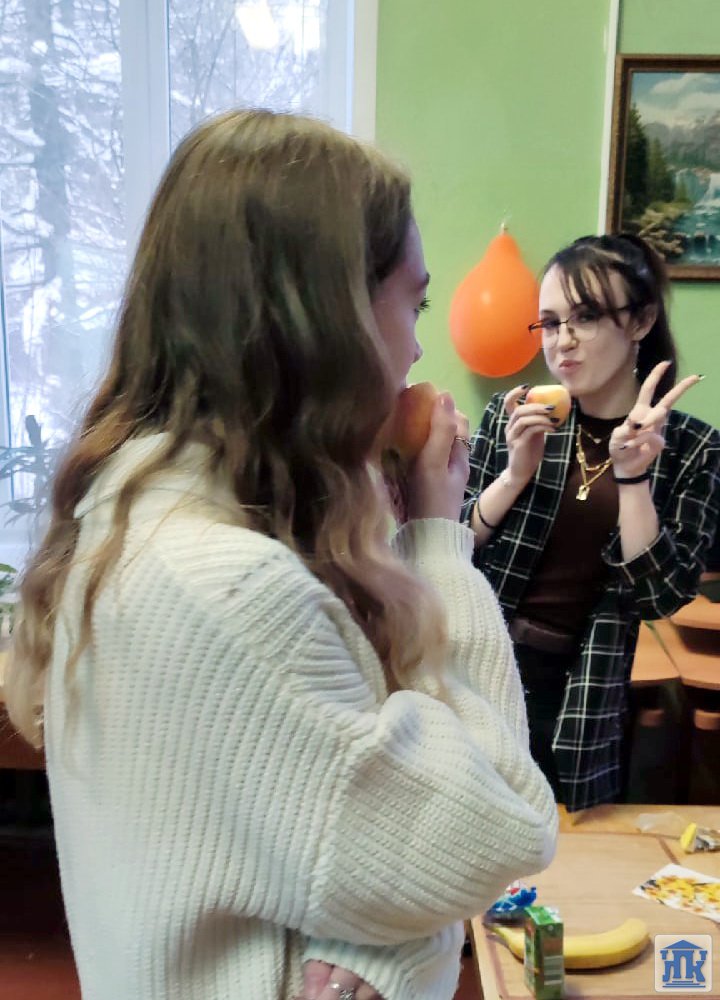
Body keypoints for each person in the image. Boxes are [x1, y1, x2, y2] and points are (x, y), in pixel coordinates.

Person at [5, 109, 557, 1000]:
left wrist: (386, 939)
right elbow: (504, 826)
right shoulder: (224, 588)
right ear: (326, 324)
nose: (419, 346)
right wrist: (438, 538)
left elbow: (311, 841)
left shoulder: (155, 511)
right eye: (413, 303)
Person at [463, 233, 720, 814]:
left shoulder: (690, 448)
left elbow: (661, 597)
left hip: (587, 691)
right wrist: (514, 476)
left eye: (585, 317)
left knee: (570, 846)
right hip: (483, 668)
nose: (563, 340)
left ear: (640, 321)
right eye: (551, 323)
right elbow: (452, 545)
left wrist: (633, 479)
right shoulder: (517, 416)